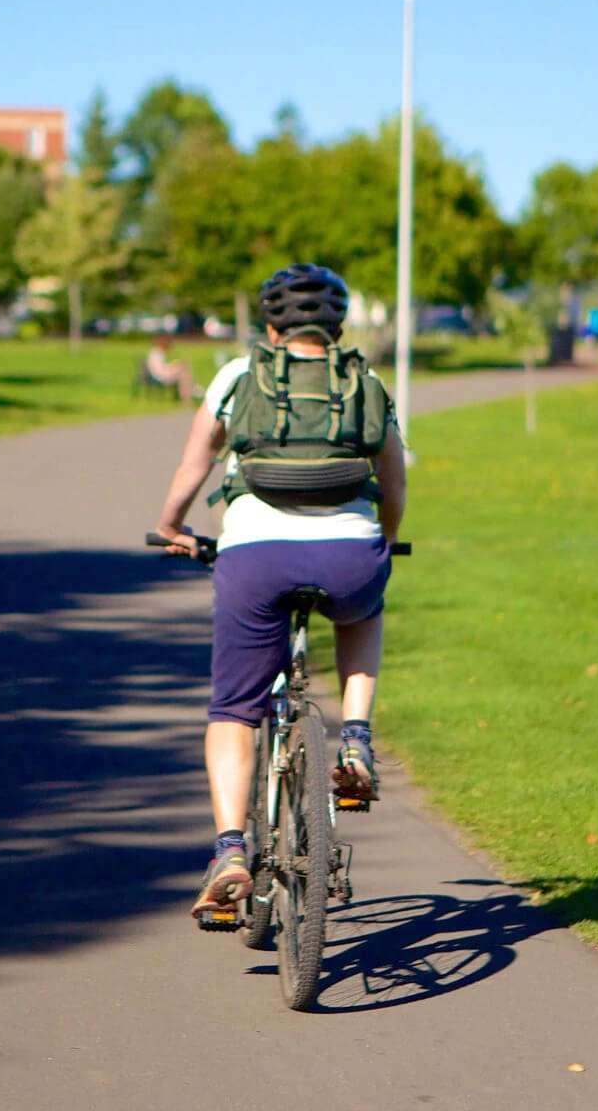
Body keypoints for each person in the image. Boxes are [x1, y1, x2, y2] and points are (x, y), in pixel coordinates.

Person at [152, 264, 406, 926]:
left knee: (234, 708)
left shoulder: (240, 376)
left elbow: (195, 462)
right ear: (337, 326)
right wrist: (384, 542)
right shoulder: (367, 381)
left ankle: (232, 851)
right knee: (364, 606)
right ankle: (354, 738)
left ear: (270, 327)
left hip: (254, 557)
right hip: (350, 554)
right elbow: (395, 481)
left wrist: (172, 525)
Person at [143, 336, 197, 401]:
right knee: (183, 372)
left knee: (183, 370)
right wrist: (173, 366)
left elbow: (161, 367)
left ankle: (190, 391)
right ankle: (189, 393)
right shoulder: (156, 353)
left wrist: (174, 365)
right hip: (159, 377)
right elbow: (160, 370)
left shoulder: (156, 353)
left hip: (159, 375)